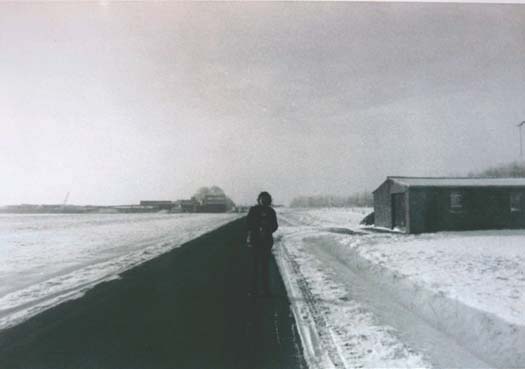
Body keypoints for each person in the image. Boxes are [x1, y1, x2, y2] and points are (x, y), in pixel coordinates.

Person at [246, 191, 278, 297]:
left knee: (265, 268)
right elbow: (248, 223)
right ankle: (253, 290)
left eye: (266, 199)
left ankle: (265, 290)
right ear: (259, 200)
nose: (264, 201)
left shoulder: (271, 211)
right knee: (254, 268)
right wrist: (257, 228)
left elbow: (275, 226)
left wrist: (267, 229)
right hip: (255, 242)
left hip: (266, 242)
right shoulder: (253, 210)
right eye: (262, 199)